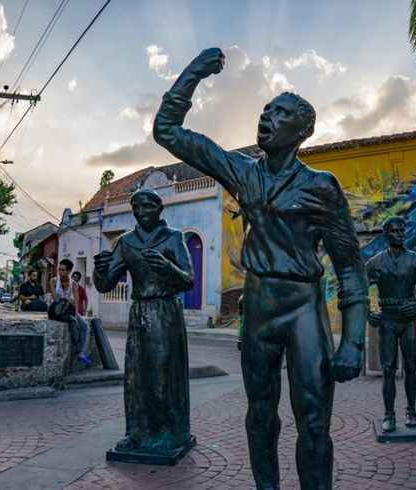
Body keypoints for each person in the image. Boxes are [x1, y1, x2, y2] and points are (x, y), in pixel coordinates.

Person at [154, 48, 368, 489]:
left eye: (280, 113)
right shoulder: (243, 172)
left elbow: (349, 267)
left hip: (304, 309)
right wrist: (194, 72)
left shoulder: (321, 186)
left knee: (312, 420)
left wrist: (353, 342)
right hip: (260, 310)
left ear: (303, 130)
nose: (266, 118)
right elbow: (168, 131)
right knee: (259, 416)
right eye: (266, 110)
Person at [94, 188, 195, 458]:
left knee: (163, 373)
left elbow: (188, 279)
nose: (140, 212)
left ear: (159, 209)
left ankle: (168, 431)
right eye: (136, 207)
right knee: (136, 376)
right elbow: (106, 285)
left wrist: (167, 267)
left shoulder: (173, 238)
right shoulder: (127, 242)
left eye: (147, 207)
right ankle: (137, 433)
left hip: (165, 311)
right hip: (139, 312)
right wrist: (99, 268)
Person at [366, 217, 416, 432]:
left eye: (402, 230)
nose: (400, 234)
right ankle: (389, 415)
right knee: (389, 370)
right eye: (394, 231)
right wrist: (368, 312)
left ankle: (411, 411)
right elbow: (357, 291)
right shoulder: (374, 263)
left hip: (409, 322)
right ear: (386, 234)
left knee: (411, 368)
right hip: (388, 322)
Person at [50, 259, 91, 365]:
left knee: (85, 325)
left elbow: (76, 302)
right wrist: (67, 300)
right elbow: (55, 299)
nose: (60, 272)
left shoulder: (74, 284)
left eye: (63, 270)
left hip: (69, 310)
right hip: (57, 311)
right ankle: (78, 350)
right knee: (73, 321)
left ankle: (81, 352)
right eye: (59, 269)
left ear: (69, 271)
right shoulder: (54, 281)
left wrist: (75, 312)